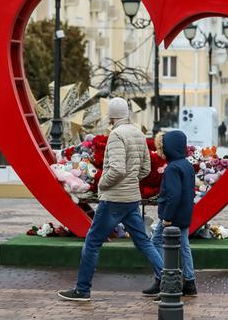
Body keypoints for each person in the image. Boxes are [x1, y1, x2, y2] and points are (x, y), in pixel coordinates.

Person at [58, 97, 163, 302]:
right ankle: (166, 279)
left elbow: (116, 169)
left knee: (93, 242)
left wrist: (102, 184)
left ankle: (82, 289)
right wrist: (131, 182)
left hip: (113, 199)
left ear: (112, 115)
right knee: (143, 241)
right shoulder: (138, 134)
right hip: (132, 198)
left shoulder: (116, 135)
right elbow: (146, 169)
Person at [142, 130, 197, 298]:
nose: (161, 152)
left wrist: (167, 217)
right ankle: (189, 282)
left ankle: (164, 279)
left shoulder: (172, 168)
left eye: (162, 148)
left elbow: (173, 195)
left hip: (171, 216)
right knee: (184, 246)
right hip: (184, 213)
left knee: (155, 241)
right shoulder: (186, 165)